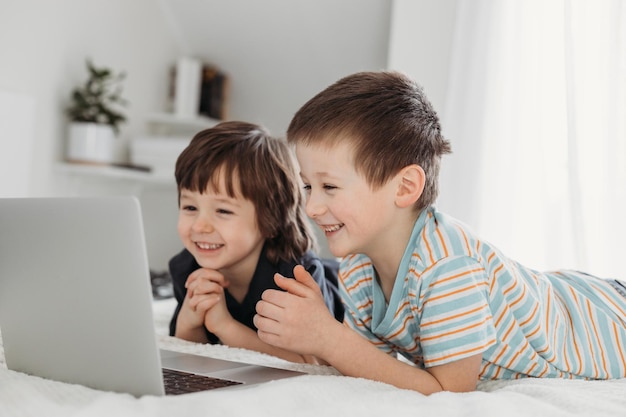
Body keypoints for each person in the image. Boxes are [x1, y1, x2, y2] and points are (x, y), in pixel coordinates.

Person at [253, 71, 626, 393]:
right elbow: (369, 369)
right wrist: (316, 337)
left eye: (329, 187)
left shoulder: (447, 267)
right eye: (307, 187)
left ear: (404, 187)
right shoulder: (356, 269)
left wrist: (330, 338)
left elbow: (449, 391)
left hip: (605, 319)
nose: (312, 207)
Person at [169, 121, 343, 363]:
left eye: (223, 211)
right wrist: (188, 323)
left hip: (342, 284)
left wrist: (225, 327)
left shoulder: (295, 275)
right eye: (190, 207)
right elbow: (190, 356)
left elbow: (312, 362)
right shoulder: (187, 268)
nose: (200, 226)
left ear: (270, 220)